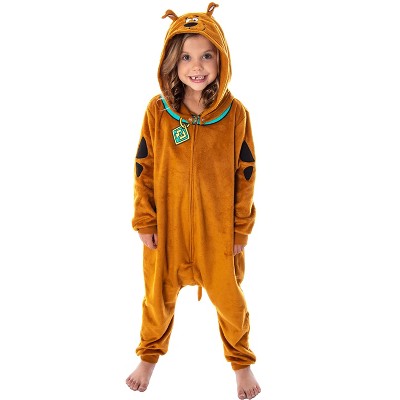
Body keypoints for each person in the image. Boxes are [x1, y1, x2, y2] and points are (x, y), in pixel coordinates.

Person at [126, 3, 261, 399]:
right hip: (166, 230)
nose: (196, 66)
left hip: (217, 233)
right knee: (156, 299)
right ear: (172, 61)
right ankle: (148, 356)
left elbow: (247, 175)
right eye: (185, 57)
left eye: (206, 56)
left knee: (231, 302)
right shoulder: (158, 111)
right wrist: (145, 220)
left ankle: (241, 364)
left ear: (222, 59)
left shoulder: (235, 115)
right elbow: (143, 168)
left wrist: (240, 230)